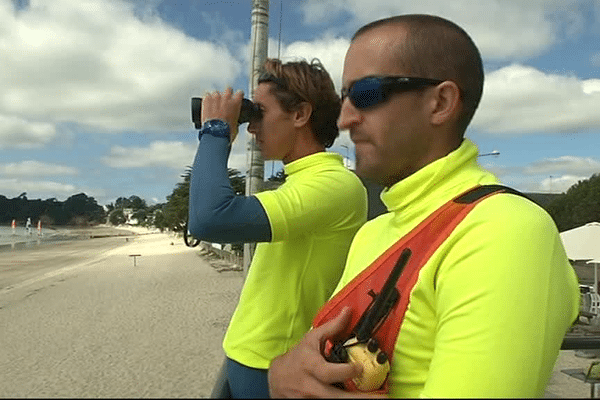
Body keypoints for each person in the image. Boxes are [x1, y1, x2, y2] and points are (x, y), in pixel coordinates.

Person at [268, 14, 580, 398]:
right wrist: (282, 371)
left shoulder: (504, 230)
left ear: (441, 102)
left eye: (366, 94)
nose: (345, 119)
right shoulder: (374, 230)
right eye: (344, 97)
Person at [188, 58, 368, 398]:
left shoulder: (335, 184)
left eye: (258, 113)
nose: (251, 127)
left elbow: (210, 218)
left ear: (300, 114)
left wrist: (215, 132)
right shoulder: (297, 184)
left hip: (276, 368)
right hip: (244, 353)